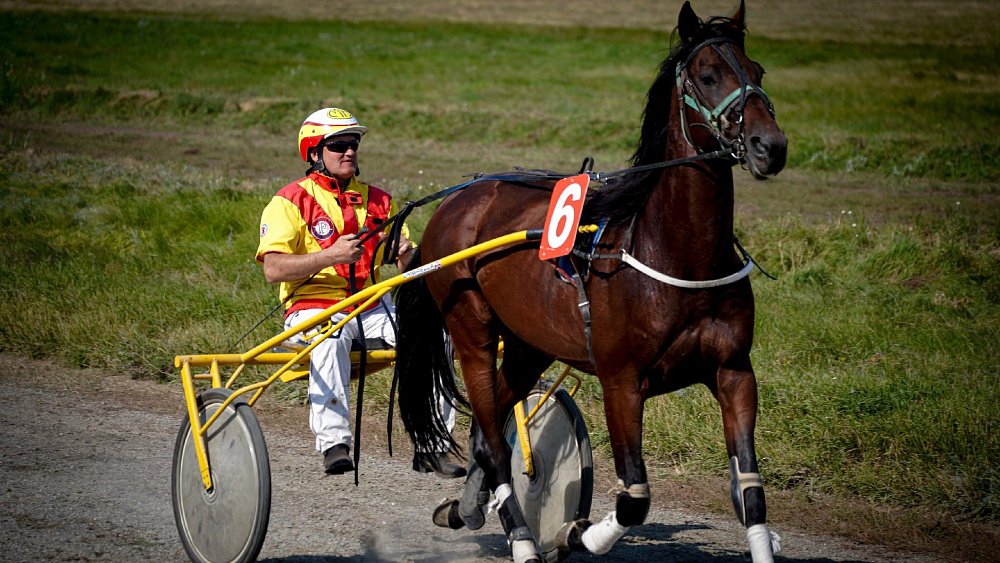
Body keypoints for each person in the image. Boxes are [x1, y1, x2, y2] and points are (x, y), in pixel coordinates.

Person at [255, 108, 464, 478]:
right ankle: (334, 443)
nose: (349, 151)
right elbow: (273, 269)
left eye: (353, 143)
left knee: (438, 332)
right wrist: (329, 256)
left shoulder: (381, 201)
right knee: (330, 335)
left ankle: (432, 444)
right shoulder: (289, 201)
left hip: (372, 306)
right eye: (338, 145)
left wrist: (405, 255)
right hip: (312, 306)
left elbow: (409, 271)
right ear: (314, 152)